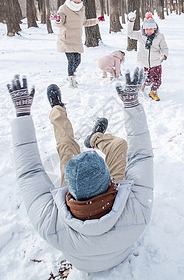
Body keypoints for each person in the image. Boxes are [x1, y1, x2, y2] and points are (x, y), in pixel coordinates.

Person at [7, 67, 154, 273]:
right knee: (119, 145)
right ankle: (92, 135)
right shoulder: (136, 210)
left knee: (67, 146)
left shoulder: (50, 224)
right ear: (109, 179)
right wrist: (131, 104)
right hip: (121, 250)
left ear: (70, 189)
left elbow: (29, 172)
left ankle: (64, 114)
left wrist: (22, 114)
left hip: (80, 258)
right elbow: (142, 156)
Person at [50, 0, 98, 88]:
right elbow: (60, 22)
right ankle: (71, 79)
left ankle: (71, 75)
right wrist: (58, 19)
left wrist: (97, 20)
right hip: (67, 38)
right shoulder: (64, 8)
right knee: (71, 60)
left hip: (77, 39)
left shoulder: (81, 9)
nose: (77, 0)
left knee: (78, 61)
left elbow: (84, 22)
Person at [127, 11, 168, 101]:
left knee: (157, 80)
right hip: (143, 63)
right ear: (143, 29)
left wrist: (164, 55)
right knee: (146, 79)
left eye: (151, 29)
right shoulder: (139, 35)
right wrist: (131, 22)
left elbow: (164, 47)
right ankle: (142, 86)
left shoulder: (160, 36)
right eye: (147, 29)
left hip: (156, 62)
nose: (149, 31)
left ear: (155, 28)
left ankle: (153, 92)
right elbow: (129, 33)